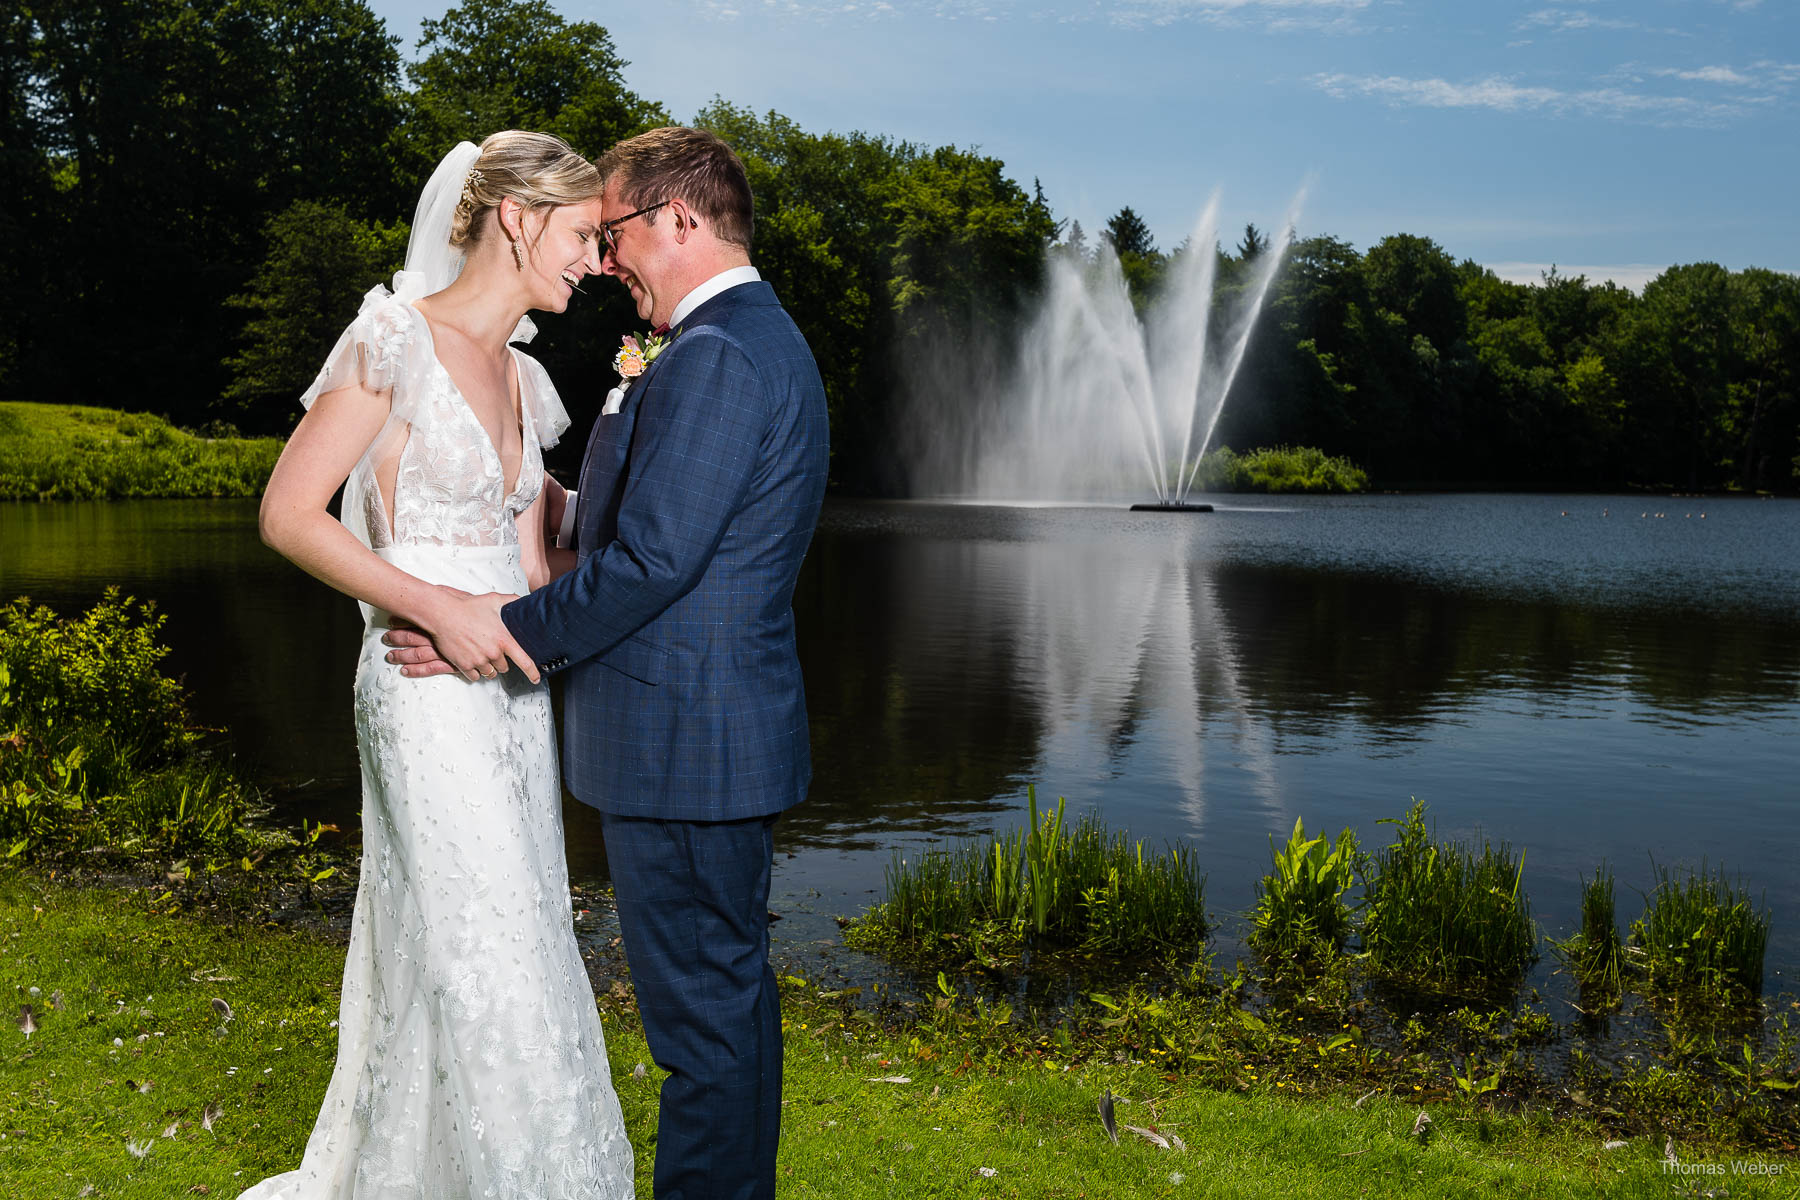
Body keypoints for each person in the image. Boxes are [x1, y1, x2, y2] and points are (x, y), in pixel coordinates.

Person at [384, 126, 831, 1200]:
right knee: (728, 1006)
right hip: (707, 737)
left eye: (618, 228)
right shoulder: (732, 340)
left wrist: (497, 625)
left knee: (701, 1029)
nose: (607, 254)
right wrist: (529, 498)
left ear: (678, 220)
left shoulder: (719, 352)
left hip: (686, 742)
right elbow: (668, 521)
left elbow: (660, 562)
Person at [243, 131, 633, 1199]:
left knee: (510, 933)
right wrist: (434, 606)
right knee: (485, 945)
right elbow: (287, 513)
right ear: (516, 217)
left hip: (509, 697)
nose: (596, 262)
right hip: (421, 685)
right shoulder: (392, 342)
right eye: (584, 236)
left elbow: (530, 563)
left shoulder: (528, 378)